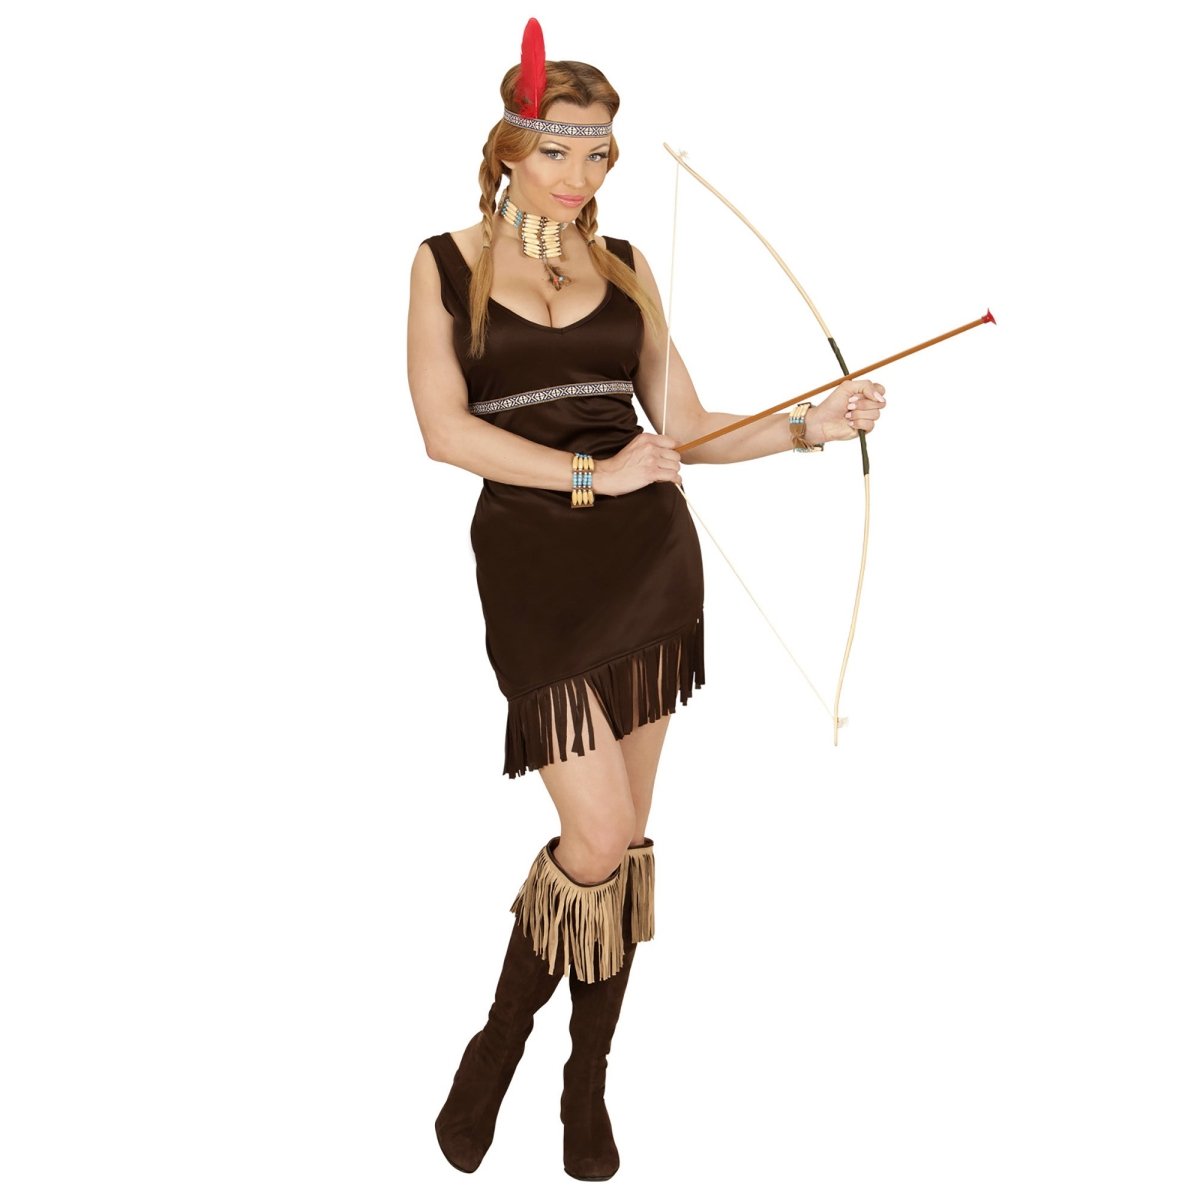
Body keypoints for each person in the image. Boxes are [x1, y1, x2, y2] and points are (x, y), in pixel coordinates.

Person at [406, 19, 886, 1182]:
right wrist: (591, 474)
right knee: (598, 833)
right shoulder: (444, 263)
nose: (579, 175)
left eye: (598, 154)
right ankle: (497, 1049)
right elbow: (445, 433)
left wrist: (807, 428)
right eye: (557, 150)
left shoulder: (623, 264)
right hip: (535, 567)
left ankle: (587, 1080)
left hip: (647, 563)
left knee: (620, 842)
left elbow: (685, 426)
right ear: (508, 147)